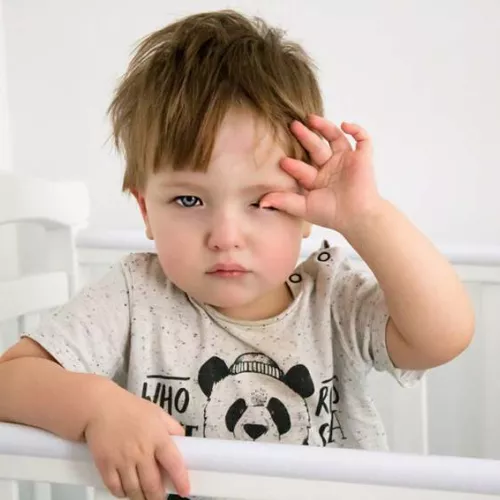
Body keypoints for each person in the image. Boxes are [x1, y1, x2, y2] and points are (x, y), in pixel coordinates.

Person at [0, 9, 474, 500]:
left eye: (261, 202)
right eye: (189, 200)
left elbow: (445, 336)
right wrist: (96, 406)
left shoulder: (332, 299)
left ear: (308, 208)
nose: (225, 236)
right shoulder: (132, 297)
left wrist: (367, 217)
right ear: (146, 208)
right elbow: (8, 379)